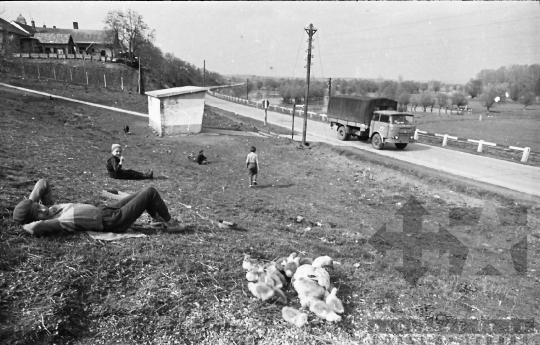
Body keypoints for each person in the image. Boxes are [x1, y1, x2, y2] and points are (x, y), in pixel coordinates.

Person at [12, 179, 184, 236]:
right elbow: (34, 227)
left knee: (140, 195)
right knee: (150, 192)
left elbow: (43, 183)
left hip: (105, 210)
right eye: (38, 214)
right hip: (112, 221)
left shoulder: (49, 208)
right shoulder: (55, 222)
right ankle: (171, 223)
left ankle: (159, 219)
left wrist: (31, 203)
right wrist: (26, 219)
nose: (43, 210)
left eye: (39, 207)